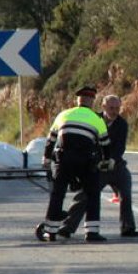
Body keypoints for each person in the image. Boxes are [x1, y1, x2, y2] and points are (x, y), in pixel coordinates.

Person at [59, 93, 138, 238]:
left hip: (115, 165)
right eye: (111, 107)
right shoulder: (93, 120)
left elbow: (119, 147)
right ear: (103, 106)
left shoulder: (122, 124)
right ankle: (67, 227)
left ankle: (128, 228)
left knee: (126, 191)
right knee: (85, 196)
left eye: (117, 108)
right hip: (97, 165)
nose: (114, 111)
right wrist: (95, 161)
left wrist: (112, 160)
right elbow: (88, 142)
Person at [40, 85, 112, 243]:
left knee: (57, 194)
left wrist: (46, 159)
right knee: (92, 193)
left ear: (77, 100)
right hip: (86, 161)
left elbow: (51, 139)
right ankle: (92, 233)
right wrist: (107, 160)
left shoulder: (63, 115)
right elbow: (105, 143)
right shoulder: (96, 119)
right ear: (92, 101)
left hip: (63, 159)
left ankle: (50, 232)